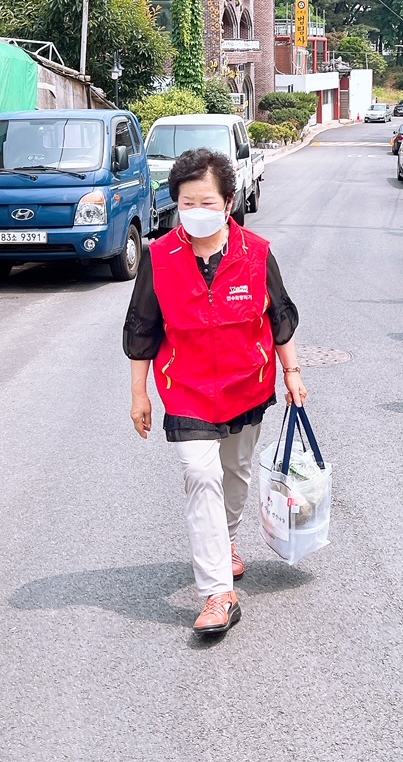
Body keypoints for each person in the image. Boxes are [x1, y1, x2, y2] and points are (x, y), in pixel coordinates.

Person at [124, 147, 308, 637]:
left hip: (246, 384)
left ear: (228, 203)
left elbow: (280, 319)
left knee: (235, 474)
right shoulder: (159, 257)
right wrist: (139, 394)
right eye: (187, 203)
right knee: (200, 474)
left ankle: (223, 540)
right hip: (184, 389)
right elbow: (143, 327)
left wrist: (291, 373)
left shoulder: (257, 253)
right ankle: (217, 593)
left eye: (207, 202)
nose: (197, 212)